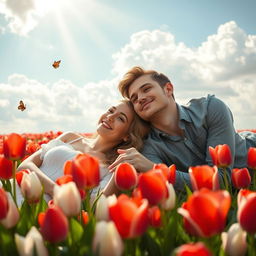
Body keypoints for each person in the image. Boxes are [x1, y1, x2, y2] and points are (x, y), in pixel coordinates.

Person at [108, 66, 256, 192]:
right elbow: (167, 190)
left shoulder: (210, 108)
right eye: (134, 99)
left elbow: (222, 179)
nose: (140, 98)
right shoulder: (150, 149)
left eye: (146, 89)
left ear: (168, 89)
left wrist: (156, 170)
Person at [17, 99, 149, 204]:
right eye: (110, 110)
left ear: (127, 135)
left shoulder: (112, 168)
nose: (110, 117)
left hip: (35, 209)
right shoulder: (70, 137)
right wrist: (55, 190)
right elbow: (23, 166)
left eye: (121, 118)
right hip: (12, 190)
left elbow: (93, 207)